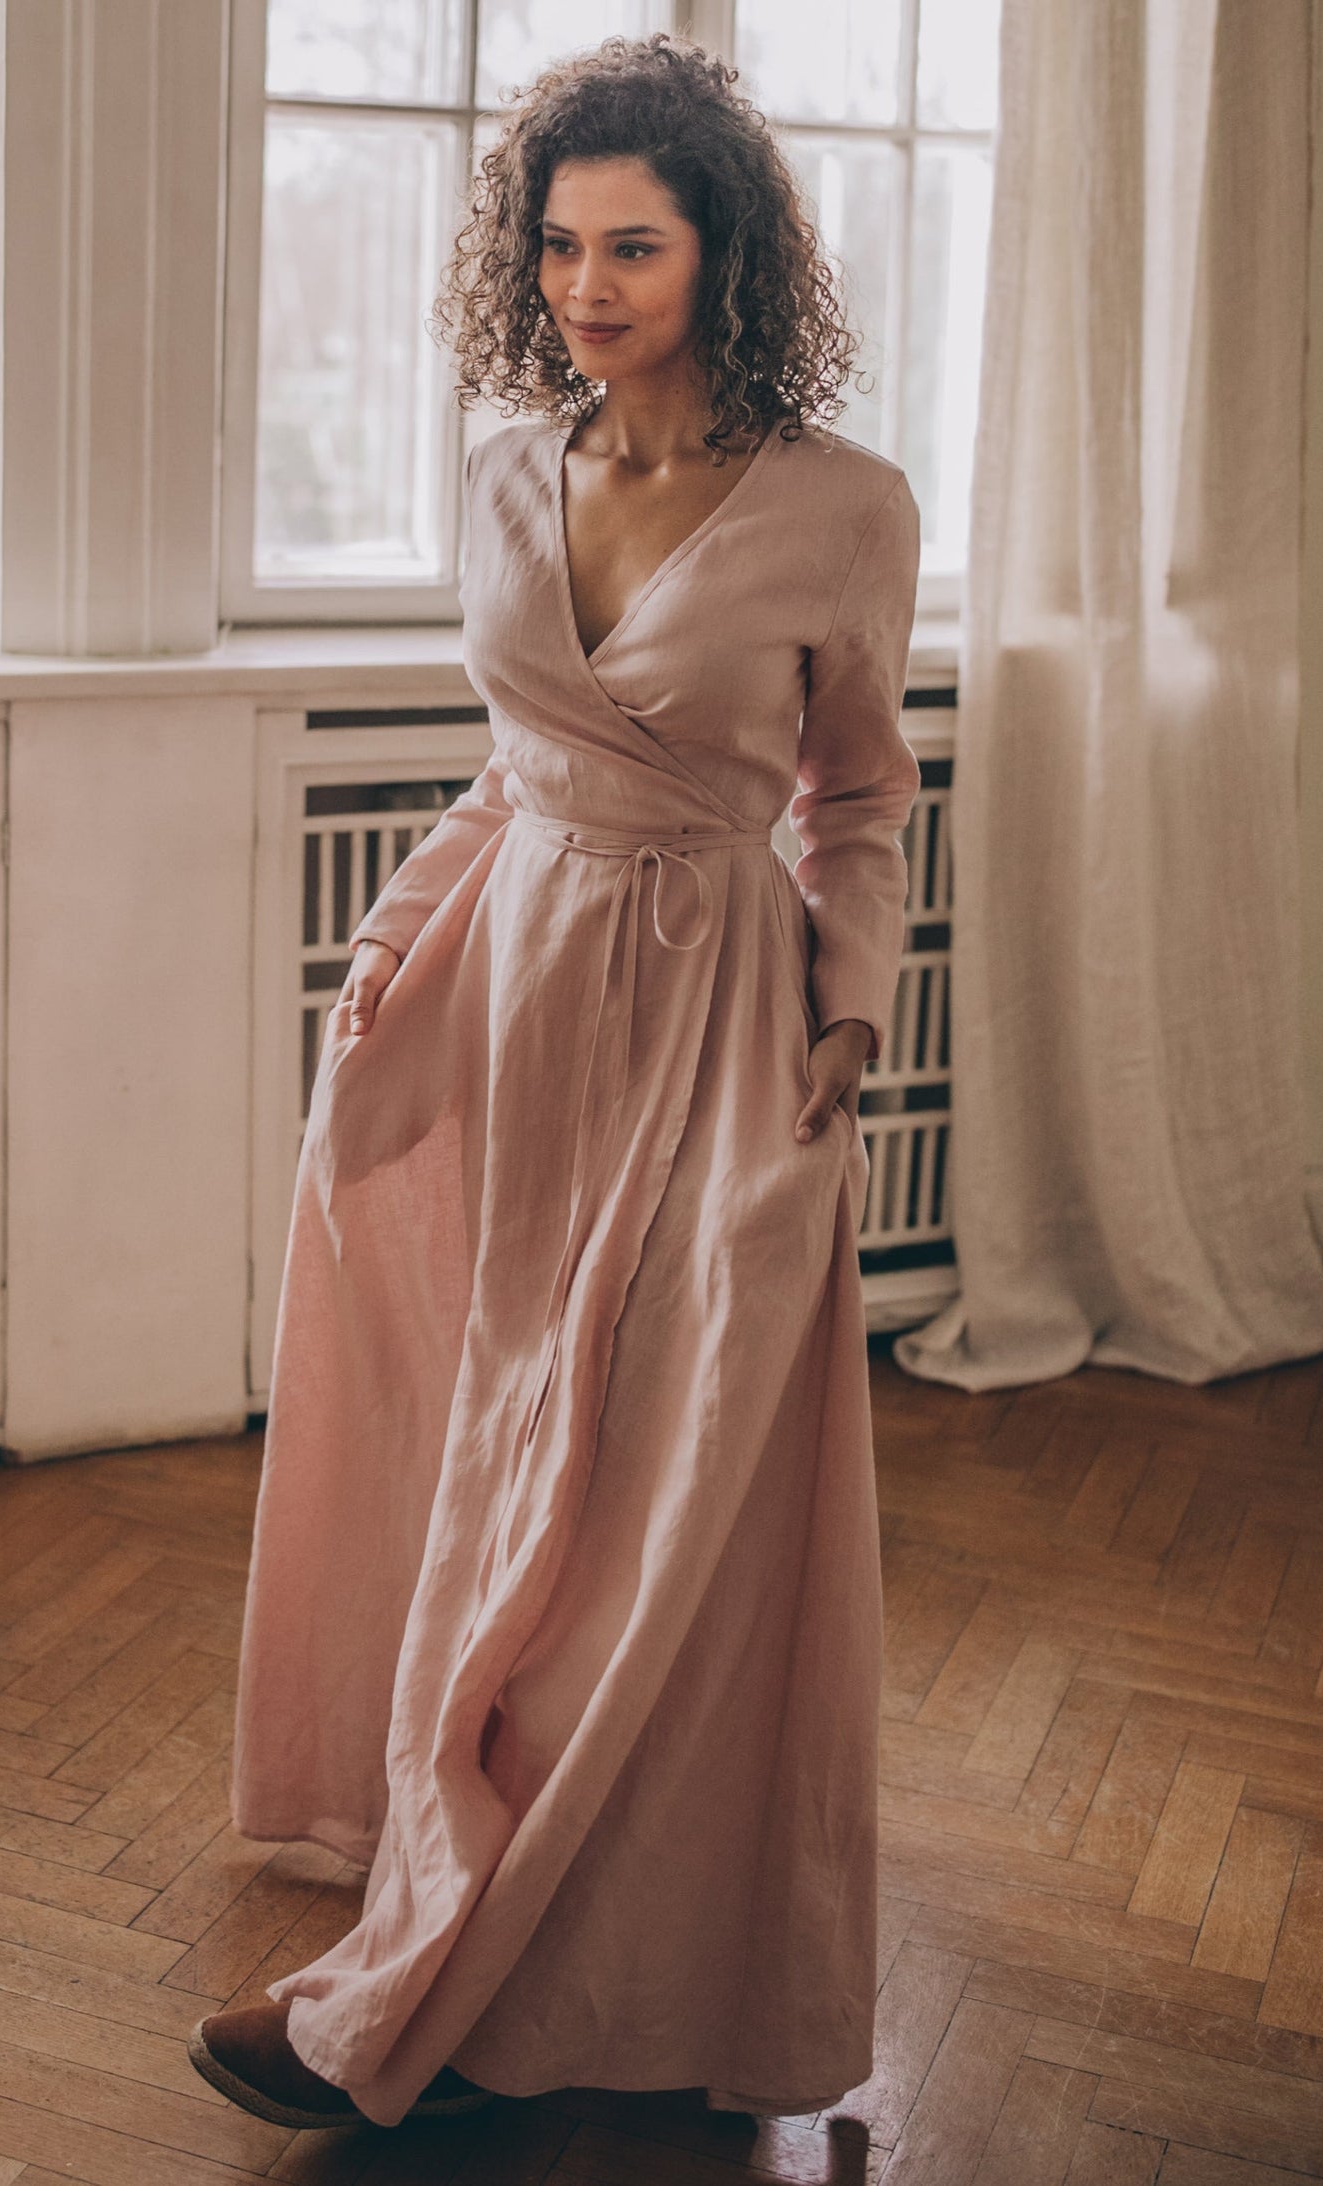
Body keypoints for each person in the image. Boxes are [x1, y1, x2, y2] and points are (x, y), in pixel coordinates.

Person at [187, 29, 921, 2136]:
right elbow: (520, 766)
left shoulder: (846, 508)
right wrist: (401, 932)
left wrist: (848, 1016)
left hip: (722, 1030)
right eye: (561, 243)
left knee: (673, 1501)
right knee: (508, 1462)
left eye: (637, 245)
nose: (588, 285)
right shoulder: (507, 472)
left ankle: (535, 1970)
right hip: (514, 1008)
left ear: (728, 259)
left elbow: (860, 791)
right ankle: (433, 1893)